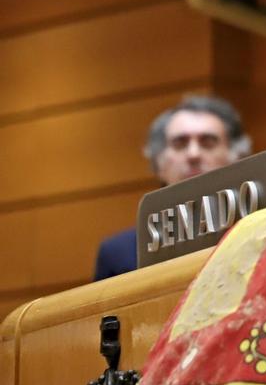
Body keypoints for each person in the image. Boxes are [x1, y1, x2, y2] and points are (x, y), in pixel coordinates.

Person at [93, 94, 251, 280]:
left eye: (208, 143)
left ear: (236, 157)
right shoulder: (118, 253)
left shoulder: (261, 232)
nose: (193, 154)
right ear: (158, 163)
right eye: (180, 144)